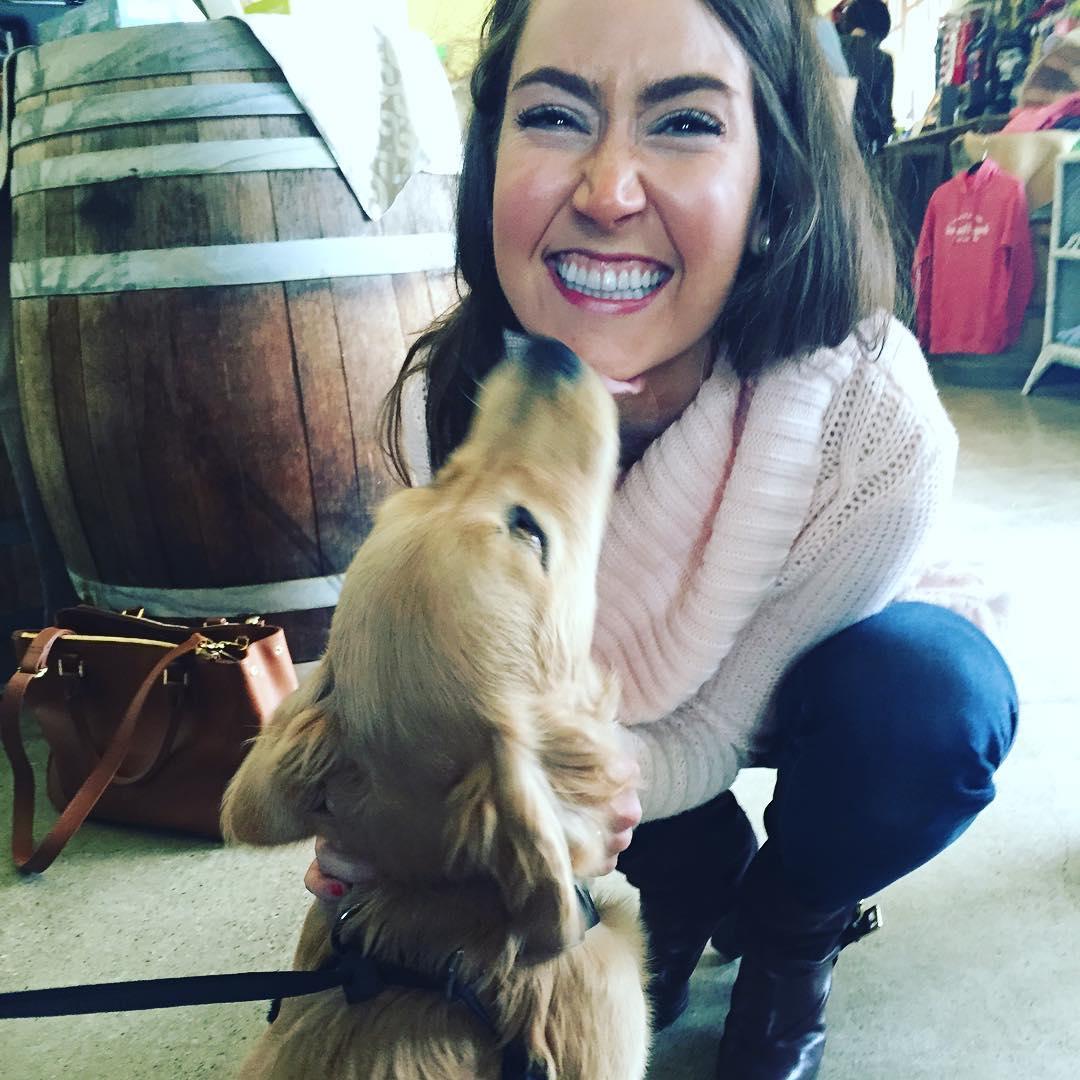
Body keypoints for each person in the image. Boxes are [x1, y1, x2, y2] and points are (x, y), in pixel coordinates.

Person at [306, 1, 1018, 1077]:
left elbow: (716, 727)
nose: (607, 192)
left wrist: (491, 822)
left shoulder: (878, 424)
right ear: (490, 156)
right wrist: (381, 809)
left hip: (810, 673)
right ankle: (688, 879)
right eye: (554, 115)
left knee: (927, 706)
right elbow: (479, 687)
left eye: (685, 122)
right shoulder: (450, 392)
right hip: (616, 723)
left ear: (773, 188)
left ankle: (792, 927)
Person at [838, 0, 895, 154]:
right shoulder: (883, 60)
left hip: (823, 140)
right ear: (881, 30)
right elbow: (884, 117)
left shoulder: (832, 46)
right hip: (860, 149)